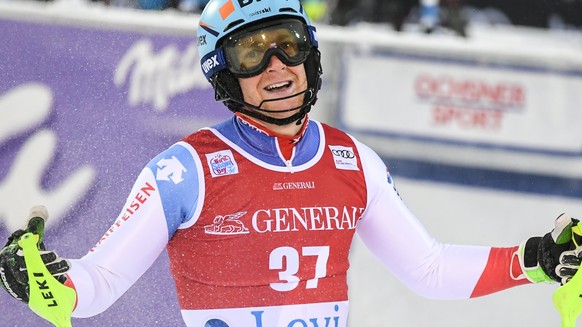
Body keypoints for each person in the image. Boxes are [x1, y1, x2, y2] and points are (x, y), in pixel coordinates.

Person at [0, 0, 581, 326]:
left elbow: (427, 270)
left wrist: (534, 260)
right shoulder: (185, 170)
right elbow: (97, 283)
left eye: (290, 43)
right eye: (252, 54)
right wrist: (52, 286)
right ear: (223, 76)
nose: (278, 66)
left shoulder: (353, 161)